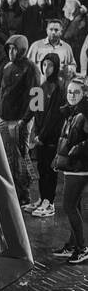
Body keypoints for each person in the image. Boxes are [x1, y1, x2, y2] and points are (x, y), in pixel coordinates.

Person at [0, 34, 38, 207]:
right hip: (5, 119)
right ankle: (12, 192)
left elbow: (37, 97)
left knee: (21, 157)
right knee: (7, 157)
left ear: (21, 49)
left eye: (15, 48)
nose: (11, 52)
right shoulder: (7, 67)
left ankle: (24, 194)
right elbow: (2, 93)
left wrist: (25, 120)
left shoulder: (31, 68)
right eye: (9, 48)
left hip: (20, 121)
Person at [26, 54, 67, 218]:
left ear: (55, 66)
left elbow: (54, 116)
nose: (46, 68)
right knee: (42, 168)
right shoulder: (42, 86)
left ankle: (49, 203)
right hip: (40, 137)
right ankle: (42, 199)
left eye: (50, 65)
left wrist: (42, 136)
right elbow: (35, 110)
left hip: (50, 138)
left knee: (50, 170)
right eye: (44, 65)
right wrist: (26, 125)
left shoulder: (59, 86)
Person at [53, 77, 88, 264]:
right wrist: (59, 157)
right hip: (71, 165)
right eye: (69, 91)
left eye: (76, 92)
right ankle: (73, 244)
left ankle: (82, 248)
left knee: (68, 206)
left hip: (79, 167)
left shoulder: (84, 113)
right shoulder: (72, 112)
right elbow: (66, 138)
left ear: (83, 94)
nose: (72, 95)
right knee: (75, 206)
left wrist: (77, 150)